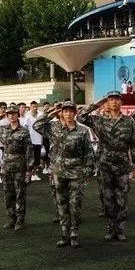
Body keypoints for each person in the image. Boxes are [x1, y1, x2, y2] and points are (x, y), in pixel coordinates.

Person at [78, 91, 135, 242]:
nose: (114, 102)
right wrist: (97, 103)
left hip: (122, 165)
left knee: (121, 199)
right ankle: (110, 227)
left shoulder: (129, 121)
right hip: (105, 164)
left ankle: (120, 229)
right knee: (107, 199)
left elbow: (134, 144)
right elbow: (80, 117)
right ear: (107, 102)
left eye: (117, 99)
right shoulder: (99, 120)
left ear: (121, 102)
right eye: (111, 99)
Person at [34, 101, 93, 248]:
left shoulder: (83, 130)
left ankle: (74, 233)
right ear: (61, 113)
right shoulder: (54, 128)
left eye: (71, 111)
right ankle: (64, 233)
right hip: (59, 171)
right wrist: (52, 112)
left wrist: (88, 170)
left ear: (75, 113)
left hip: (76, 172)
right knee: (61, 204)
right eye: (65, 111)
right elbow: (37, 125)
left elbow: (88, 151)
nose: (68, 114)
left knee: (75, 204)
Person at [0, 104, 34, 231]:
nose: (11, 115)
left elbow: (29, 151)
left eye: (13, 113)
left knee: (19, 194)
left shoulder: (23, 131)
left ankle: (20, 220)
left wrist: (29, 171)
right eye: (8, 114)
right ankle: (11, 219)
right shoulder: (3, 129)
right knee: (8, 194)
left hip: (19, 166)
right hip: (6, 167)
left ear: (18, 114)